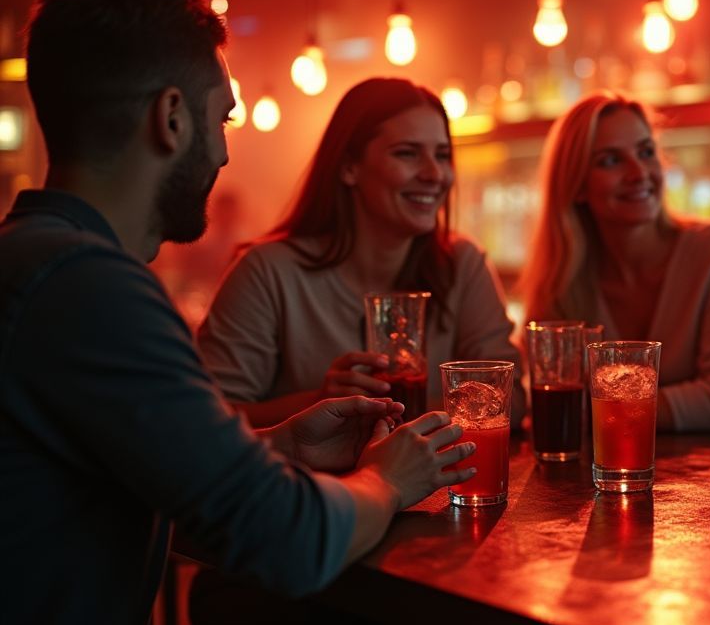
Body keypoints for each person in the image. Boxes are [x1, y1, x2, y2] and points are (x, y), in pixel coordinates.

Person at [0, 0, 474, 625]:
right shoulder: (87, 287)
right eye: (222, 118)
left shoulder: (30, 258)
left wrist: (277, 443)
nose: (225, 151)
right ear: (170, 118)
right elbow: (290, 539)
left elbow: (136, 480)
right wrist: (386, 478)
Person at [197, 77, 525, 426]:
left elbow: (511, 400)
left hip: (436, 481)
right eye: (407, 153)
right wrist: (319, 402)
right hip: (308, 481)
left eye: (442, 155)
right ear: (349, 167)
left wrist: (381, 412)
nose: (434, 174)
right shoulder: (267, 273)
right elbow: (203, 417)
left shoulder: (462, 264)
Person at [520, 92, 710, 431]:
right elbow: (543, 398)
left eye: (646, 152)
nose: (639, 172)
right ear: (576, 185)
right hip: (596, 478)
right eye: (610, 161)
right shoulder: (562, 282)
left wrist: (606, 413)